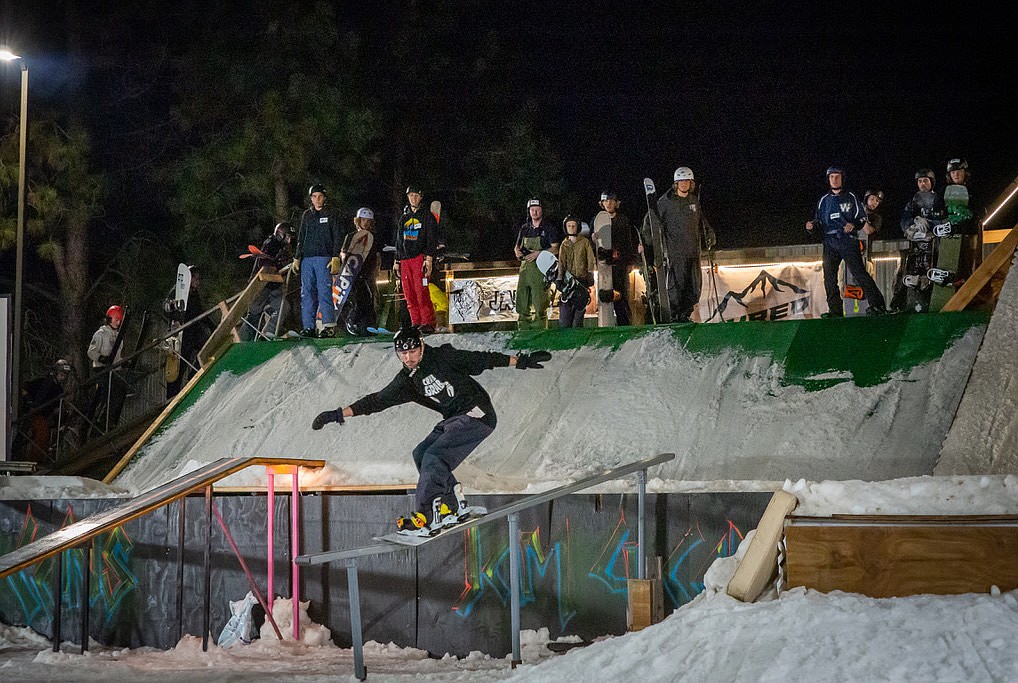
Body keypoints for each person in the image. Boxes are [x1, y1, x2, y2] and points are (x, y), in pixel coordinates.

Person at [310, 326, 552, 536]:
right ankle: (451, 504)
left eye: (412, 352)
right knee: (421, 453)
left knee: (435, 456)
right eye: (403, 354)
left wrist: (520, 361)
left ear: (422, 346)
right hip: (455, 419)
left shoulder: (444, 358)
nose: (408, 358)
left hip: (478, 414)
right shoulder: (407, 381)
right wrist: (338, 414)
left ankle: (424, 515)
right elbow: (377, 401)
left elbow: (482, 359)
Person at [805, 166, 887, 317]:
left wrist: (853, 225)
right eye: (831, 177)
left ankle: (878, 305)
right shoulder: (823, 200)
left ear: (842, 178)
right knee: (829, 277)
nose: (834, 179)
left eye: (837, 176)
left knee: (860, 273)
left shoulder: (851, 197)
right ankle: (835, 310)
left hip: (848, 240)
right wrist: (811, 227)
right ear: (828, 179)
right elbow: (818, 221)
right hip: (830, 241)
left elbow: (862, 218)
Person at [656, 167, 716, 322]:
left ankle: (685, 315)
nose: (684, 184)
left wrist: (709, 233)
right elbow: (652, 221)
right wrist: (648, 241)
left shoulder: (693, 201)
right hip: (675, 251)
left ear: (691, 183)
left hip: (693, 251)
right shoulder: (666, 202)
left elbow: (701, 221)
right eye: (681, 181)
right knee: (678, 285)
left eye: (687, 181)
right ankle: (674, 316)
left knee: (694, 285)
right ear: (676, 183)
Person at [892, 169, 945, 312]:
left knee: (931, 276)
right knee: (912, 277)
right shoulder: (913, 202)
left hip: (934, 246)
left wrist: (930, 224)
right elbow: (903, 222)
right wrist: (914, 221)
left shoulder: (939, 200)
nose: (922, 184)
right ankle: (910, 306)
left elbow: (943, 220)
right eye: (920, 181)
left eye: (925, 181)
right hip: (916, 247)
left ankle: (934, 306)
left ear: (932, 182)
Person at [294, 184, 342, 338]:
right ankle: (309, 326)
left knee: (324, 291)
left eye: (320, 196)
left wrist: (335, 256)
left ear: (324, 197)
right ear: (311, 198)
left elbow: (337, 235)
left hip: (324, 258)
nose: (317, 199)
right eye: (314, 196)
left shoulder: (331, 214)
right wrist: (297, 257)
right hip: (307, 259)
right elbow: (301, 237)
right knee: (306, 293)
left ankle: (328, 326)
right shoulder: (307, 215)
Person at [165, 266, 215, 398]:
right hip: (181, 334)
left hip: (193, 332)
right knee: (178, 367)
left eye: (199, 279)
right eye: (195, 278)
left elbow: (199, 312)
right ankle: (171, 396)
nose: (198, 282)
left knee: (206, 348)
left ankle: (193, 377)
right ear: (189, 278)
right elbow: (166, 307)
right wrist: (173, 311)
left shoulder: (194, 294)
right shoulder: (178, 290)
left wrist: (212, 325)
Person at [395, 185, 439, 333]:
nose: (413, 198)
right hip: (405, 260)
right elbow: (399, 241)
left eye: (416, 195)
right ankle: (415, 322)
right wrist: (397, 261)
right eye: (411, 196)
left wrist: (429, 259)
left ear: (421, 197)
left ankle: (427, 322)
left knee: (421, 291)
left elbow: (431, 239)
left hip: (419, 258)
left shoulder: (427, 216)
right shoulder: (404, 217)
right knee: (409, 293)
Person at [240, 221, 295, 341]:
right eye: (288, 237)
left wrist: (285, 266)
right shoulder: (270, 244)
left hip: (273, 287)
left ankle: (267, 333)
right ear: (281, 234)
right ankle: (243, 341)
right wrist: (276, 264)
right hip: (261, 286)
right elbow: (263, 264)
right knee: (254, 314)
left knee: (283, 307)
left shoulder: (282, 248)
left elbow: (279, 266)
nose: (289, 240)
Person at [514, 198, 560, 330]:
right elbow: (517, 246)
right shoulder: (524, 228)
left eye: (537, 209)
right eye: (532, 210)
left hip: (540, 270)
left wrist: (538, 253)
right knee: (522, 302)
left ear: (541, 210)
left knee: (540, 304)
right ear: (529, 211)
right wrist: (517, 252)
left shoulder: (549, 228)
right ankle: (522, 331)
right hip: (524, 270)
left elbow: (555, 248)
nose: (534, 212)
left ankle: (540, 332)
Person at [17, 359, 72, 463]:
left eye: (65, 375)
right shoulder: (44, 382)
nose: (63, 377)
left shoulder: (59, 389)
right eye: (61, 374)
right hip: (34, 414)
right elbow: (24, 387)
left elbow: (54, 405)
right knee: (41, 435)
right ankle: (34, 461)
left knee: (44, 437)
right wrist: (28, 400)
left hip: (45, 416)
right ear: (56, 372)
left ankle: (41, 458)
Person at [597, 191, 639, 325]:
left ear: (616, 203)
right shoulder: (597, 220)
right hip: (604, 266)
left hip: (620, 264)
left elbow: (628, 241)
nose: (609, 203)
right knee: (605, 295)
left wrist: (630, 260)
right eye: (606, 201)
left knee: (621, 295)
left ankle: (624, 325)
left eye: (611, 201)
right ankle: (606, 323)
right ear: (602, 203)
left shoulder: (623, 220)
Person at [338, 207, 381, 336]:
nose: (366, 223)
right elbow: (343, 252)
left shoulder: (373, 237)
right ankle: (351, 322)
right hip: (353, 274)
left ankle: (369, 326)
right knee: (357, 300)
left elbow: (377, 255)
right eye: (363, 220)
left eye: (368, 221)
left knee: (370, 300)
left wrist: (377, 270)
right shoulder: (351, 236)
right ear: (358, 221)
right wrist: (345, 262)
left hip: (368, 273)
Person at [86, 305, 129, 434]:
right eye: (116, 319)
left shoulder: (118, 337)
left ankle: (108, 419)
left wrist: (123, 363)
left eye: (119, 320)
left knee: (118, 390)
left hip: (113, 370)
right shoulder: (101, 334)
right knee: (110, 392)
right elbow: (91, 351)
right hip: (101, 369)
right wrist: (101, 358)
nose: (118, 322)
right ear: (109, 318)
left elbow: (117, 355)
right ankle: (101, 421)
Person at [555, 214, 596, 328]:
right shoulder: (564, 244)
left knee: (578, 315)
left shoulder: (584, 242)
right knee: (565, 316)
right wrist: (559, 277)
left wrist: (590, 273)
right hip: (568, 281)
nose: (571, 228)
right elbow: (561, 262)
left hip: (581, 280)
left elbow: (590, 259)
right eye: (569, 226)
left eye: (573, 225)